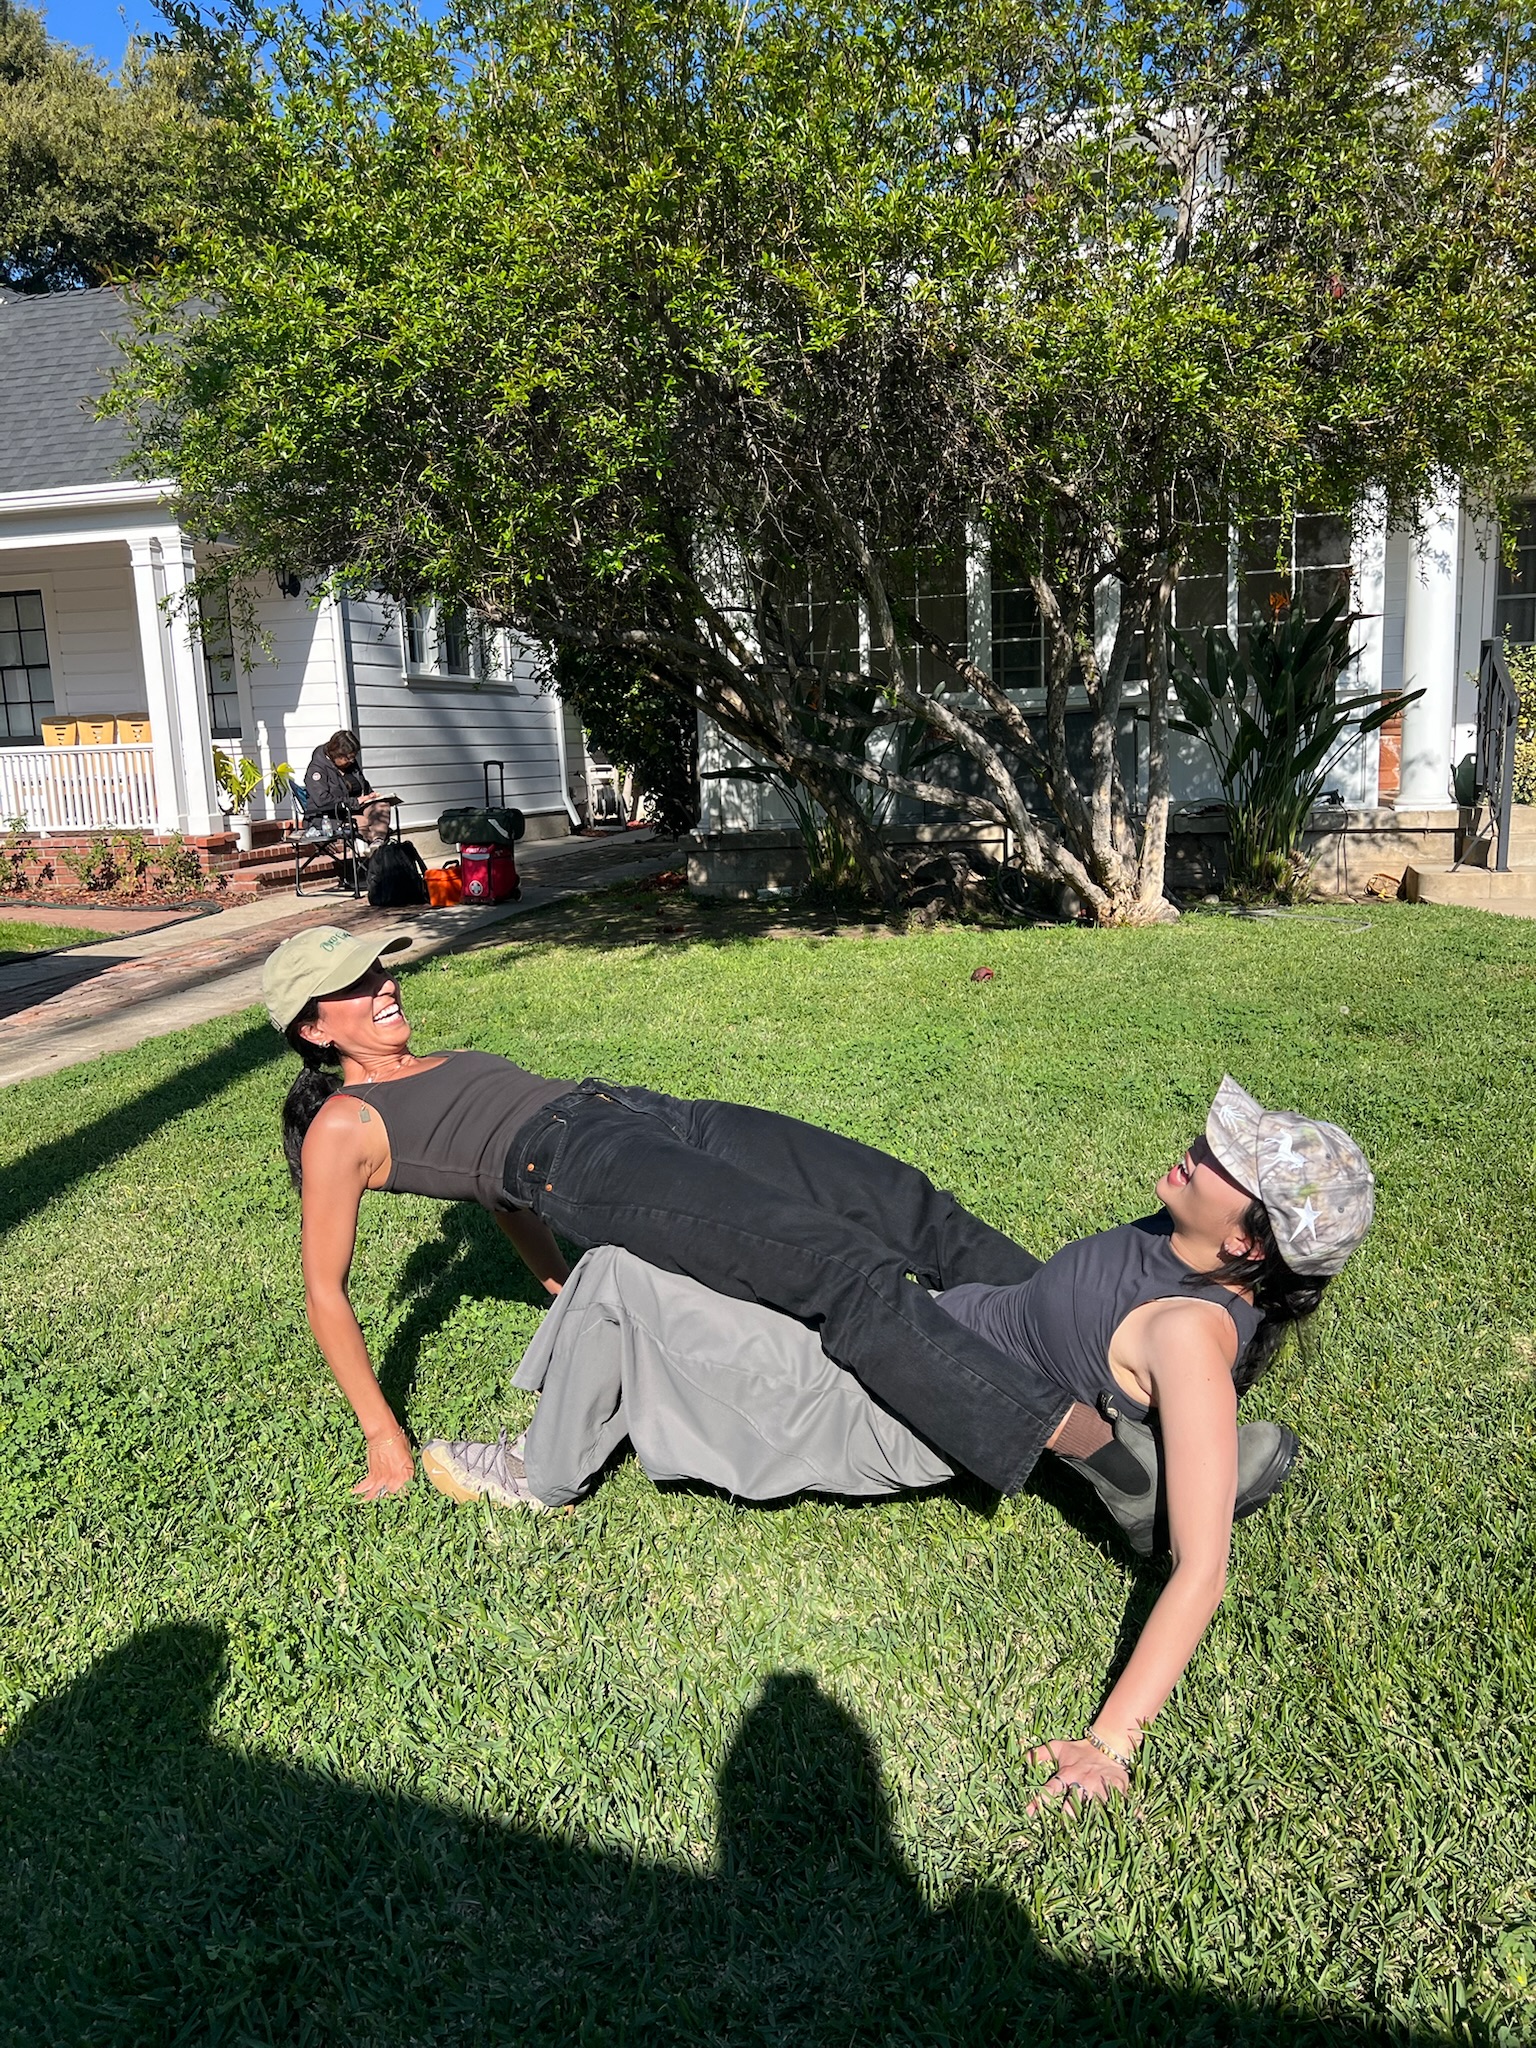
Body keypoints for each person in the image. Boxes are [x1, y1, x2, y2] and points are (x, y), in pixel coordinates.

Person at [263, 926, 1375, 1807]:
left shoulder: (435, 1059)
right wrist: (383, 1436)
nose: (383, 985)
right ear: (313, 1029)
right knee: (839, 1271)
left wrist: (546, 1274)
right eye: (353, 986)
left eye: (378, 969)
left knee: (897, 1201)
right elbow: (331, 1284)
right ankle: (1114, 1461)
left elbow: (500, 1195)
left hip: (643, 1115)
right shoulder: (344, 1123)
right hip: (585, 1160)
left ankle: (1127, 1430)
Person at [301, 729, 392, 848]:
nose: (351, 761)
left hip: (355, 808)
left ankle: (377, 843)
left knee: (382, 806)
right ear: (336, 754)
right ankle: (377, 849)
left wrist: (371, 795)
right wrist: (354, 801)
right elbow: (322, 800)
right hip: (332, 816)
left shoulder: (350, 764)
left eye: (353, 757)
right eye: (348, 758)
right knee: (366, 824)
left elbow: (362, 784)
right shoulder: (317, 769)